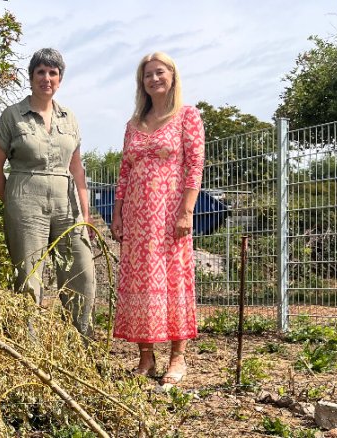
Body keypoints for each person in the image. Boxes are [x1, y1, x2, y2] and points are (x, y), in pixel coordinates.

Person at [0, 48, 96, 336]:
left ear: (60, 79)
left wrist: (86, 215)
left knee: (81, 271)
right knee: (29, 275)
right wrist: (13, 203)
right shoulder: (13, 116)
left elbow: (78, 170)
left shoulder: (69, 117)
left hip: (67, 203)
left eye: (53, 73)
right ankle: (28, 347)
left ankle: (82, 343)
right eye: (41, 72)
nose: (46, 78)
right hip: (25, 201)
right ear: (31, 76)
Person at [110, 52, 205, 385]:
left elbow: (195, 167)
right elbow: (123, 173)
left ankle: (177, 358)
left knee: (173, 281)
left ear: (172, 75)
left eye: (159, 73)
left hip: (170, 216)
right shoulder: (133, 125)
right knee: (139, 284)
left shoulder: (187, 116)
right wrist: (117, 213)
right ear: (142, 83)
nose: (153, 79)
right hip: (136, 219)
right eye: (147, 75)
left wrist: (187, 211)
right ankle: (146, 358)